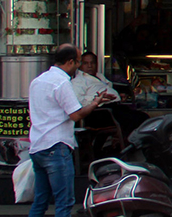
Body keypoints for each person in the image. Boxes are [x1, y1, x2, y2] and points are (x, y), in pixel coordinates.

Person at [28, 44, 114, 217]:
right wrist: (96, 103)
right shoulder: (61, 83)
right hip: (56, 146)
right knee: (64, 203)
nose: (80, 66)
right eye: (78, 62)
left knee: (40, 201)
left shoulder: (37, 81)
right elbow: (76, 115)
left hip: (38, 146)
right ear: (70, 62)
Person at [71, 51, 150, 137]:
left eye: (92, 63)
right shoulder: (78, 81)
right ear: (80, 64)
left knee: (143, 117)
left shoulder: (100, 77)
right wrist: (98, 98)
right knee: (133, 120)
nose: (90, 66)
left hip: (114, 107)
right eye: (86, 63)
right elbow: (78, 102)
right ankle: (127, 144)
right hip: (99, 112)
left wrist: (118, 96)